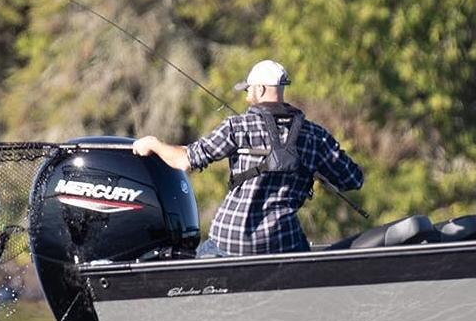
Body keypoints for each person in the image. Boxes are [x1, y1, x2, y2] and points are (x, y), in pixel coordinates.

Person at [132, 59, 363, 257]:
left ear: (261, 89)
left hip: (231, 241)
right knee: (305, 253)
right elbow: (353, 179)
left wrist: (154, 144)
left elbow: (184, 160)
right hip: (283, 244)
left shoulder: (237, 127)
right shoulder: (315, 136)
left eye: (248, 90)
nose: (247, 96)